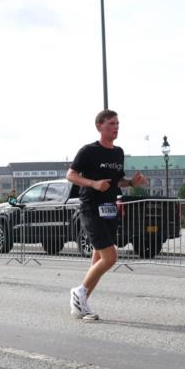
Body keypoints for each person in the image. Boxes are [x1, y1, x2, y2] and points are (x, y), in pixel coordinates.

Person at [66, 110, 147, 320]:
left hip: (110, 208)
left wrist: (131, 183)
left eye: (118, 123)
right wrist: (93, 183)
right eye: (111, 123)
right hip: (91, 207)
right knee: (110, 257)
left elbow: (117, 180)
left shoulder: (118, 152)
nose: (116, 127)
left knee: (99, 257)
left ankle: (81, 303)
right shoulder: (88, 151)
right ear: (100, 126)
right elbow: (71, 175)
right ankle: (79, 291)